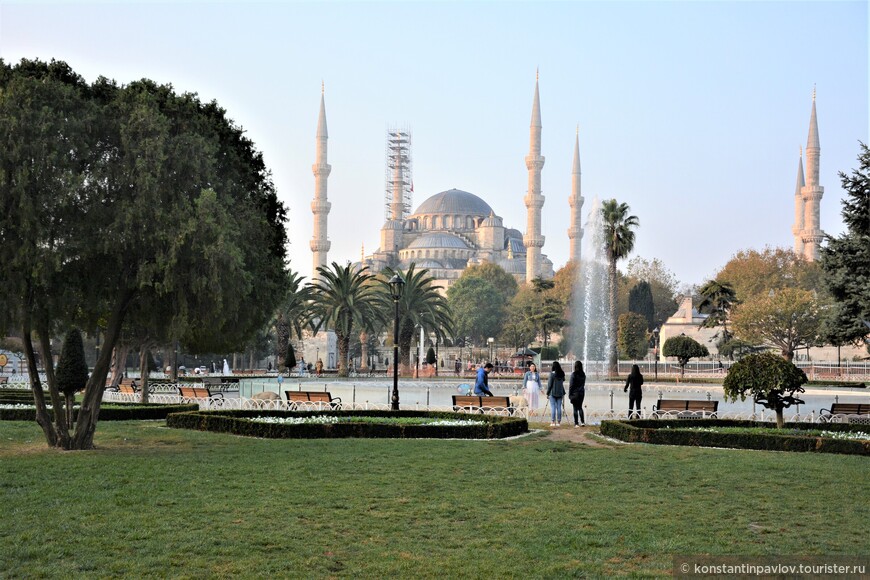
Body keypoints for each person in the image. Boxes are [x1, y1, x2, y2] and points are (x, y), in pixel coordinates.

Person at [546, 361, 566, 427]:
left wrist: (547, 393)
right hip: (560, 392)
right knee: (559, 407)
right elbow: (563, 381)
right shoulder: (562, 373)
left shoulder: (552, 374)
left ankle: (552, 421)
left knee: (553, 407)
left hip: (553, 392)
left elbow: (549, 385)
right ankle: (559, 422)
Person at [568, 361, 586, 427]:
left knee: (575, 408)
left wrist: (569, 394)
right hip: (582, 392)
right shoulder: (583, 374)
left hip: (575, 393)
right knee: (580, 407)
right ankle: (583, 422)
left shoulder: (574, 374)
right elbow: (583, 384)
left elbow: (571, 385)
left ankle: (576, 423)